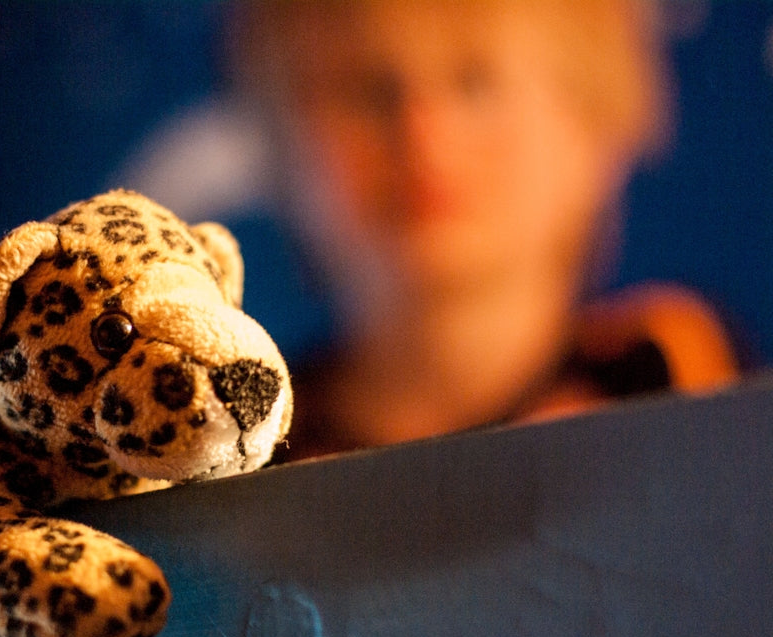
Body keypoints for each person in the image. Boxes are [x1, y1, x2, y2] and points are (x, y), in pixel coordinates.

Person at [122, 0, 740, 461]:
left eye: (476, 83)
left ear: (598, 120)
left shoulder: (674, 375)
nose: (423, 135)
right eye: (372, 92)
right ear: (283, 147)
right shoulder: (239, 446)